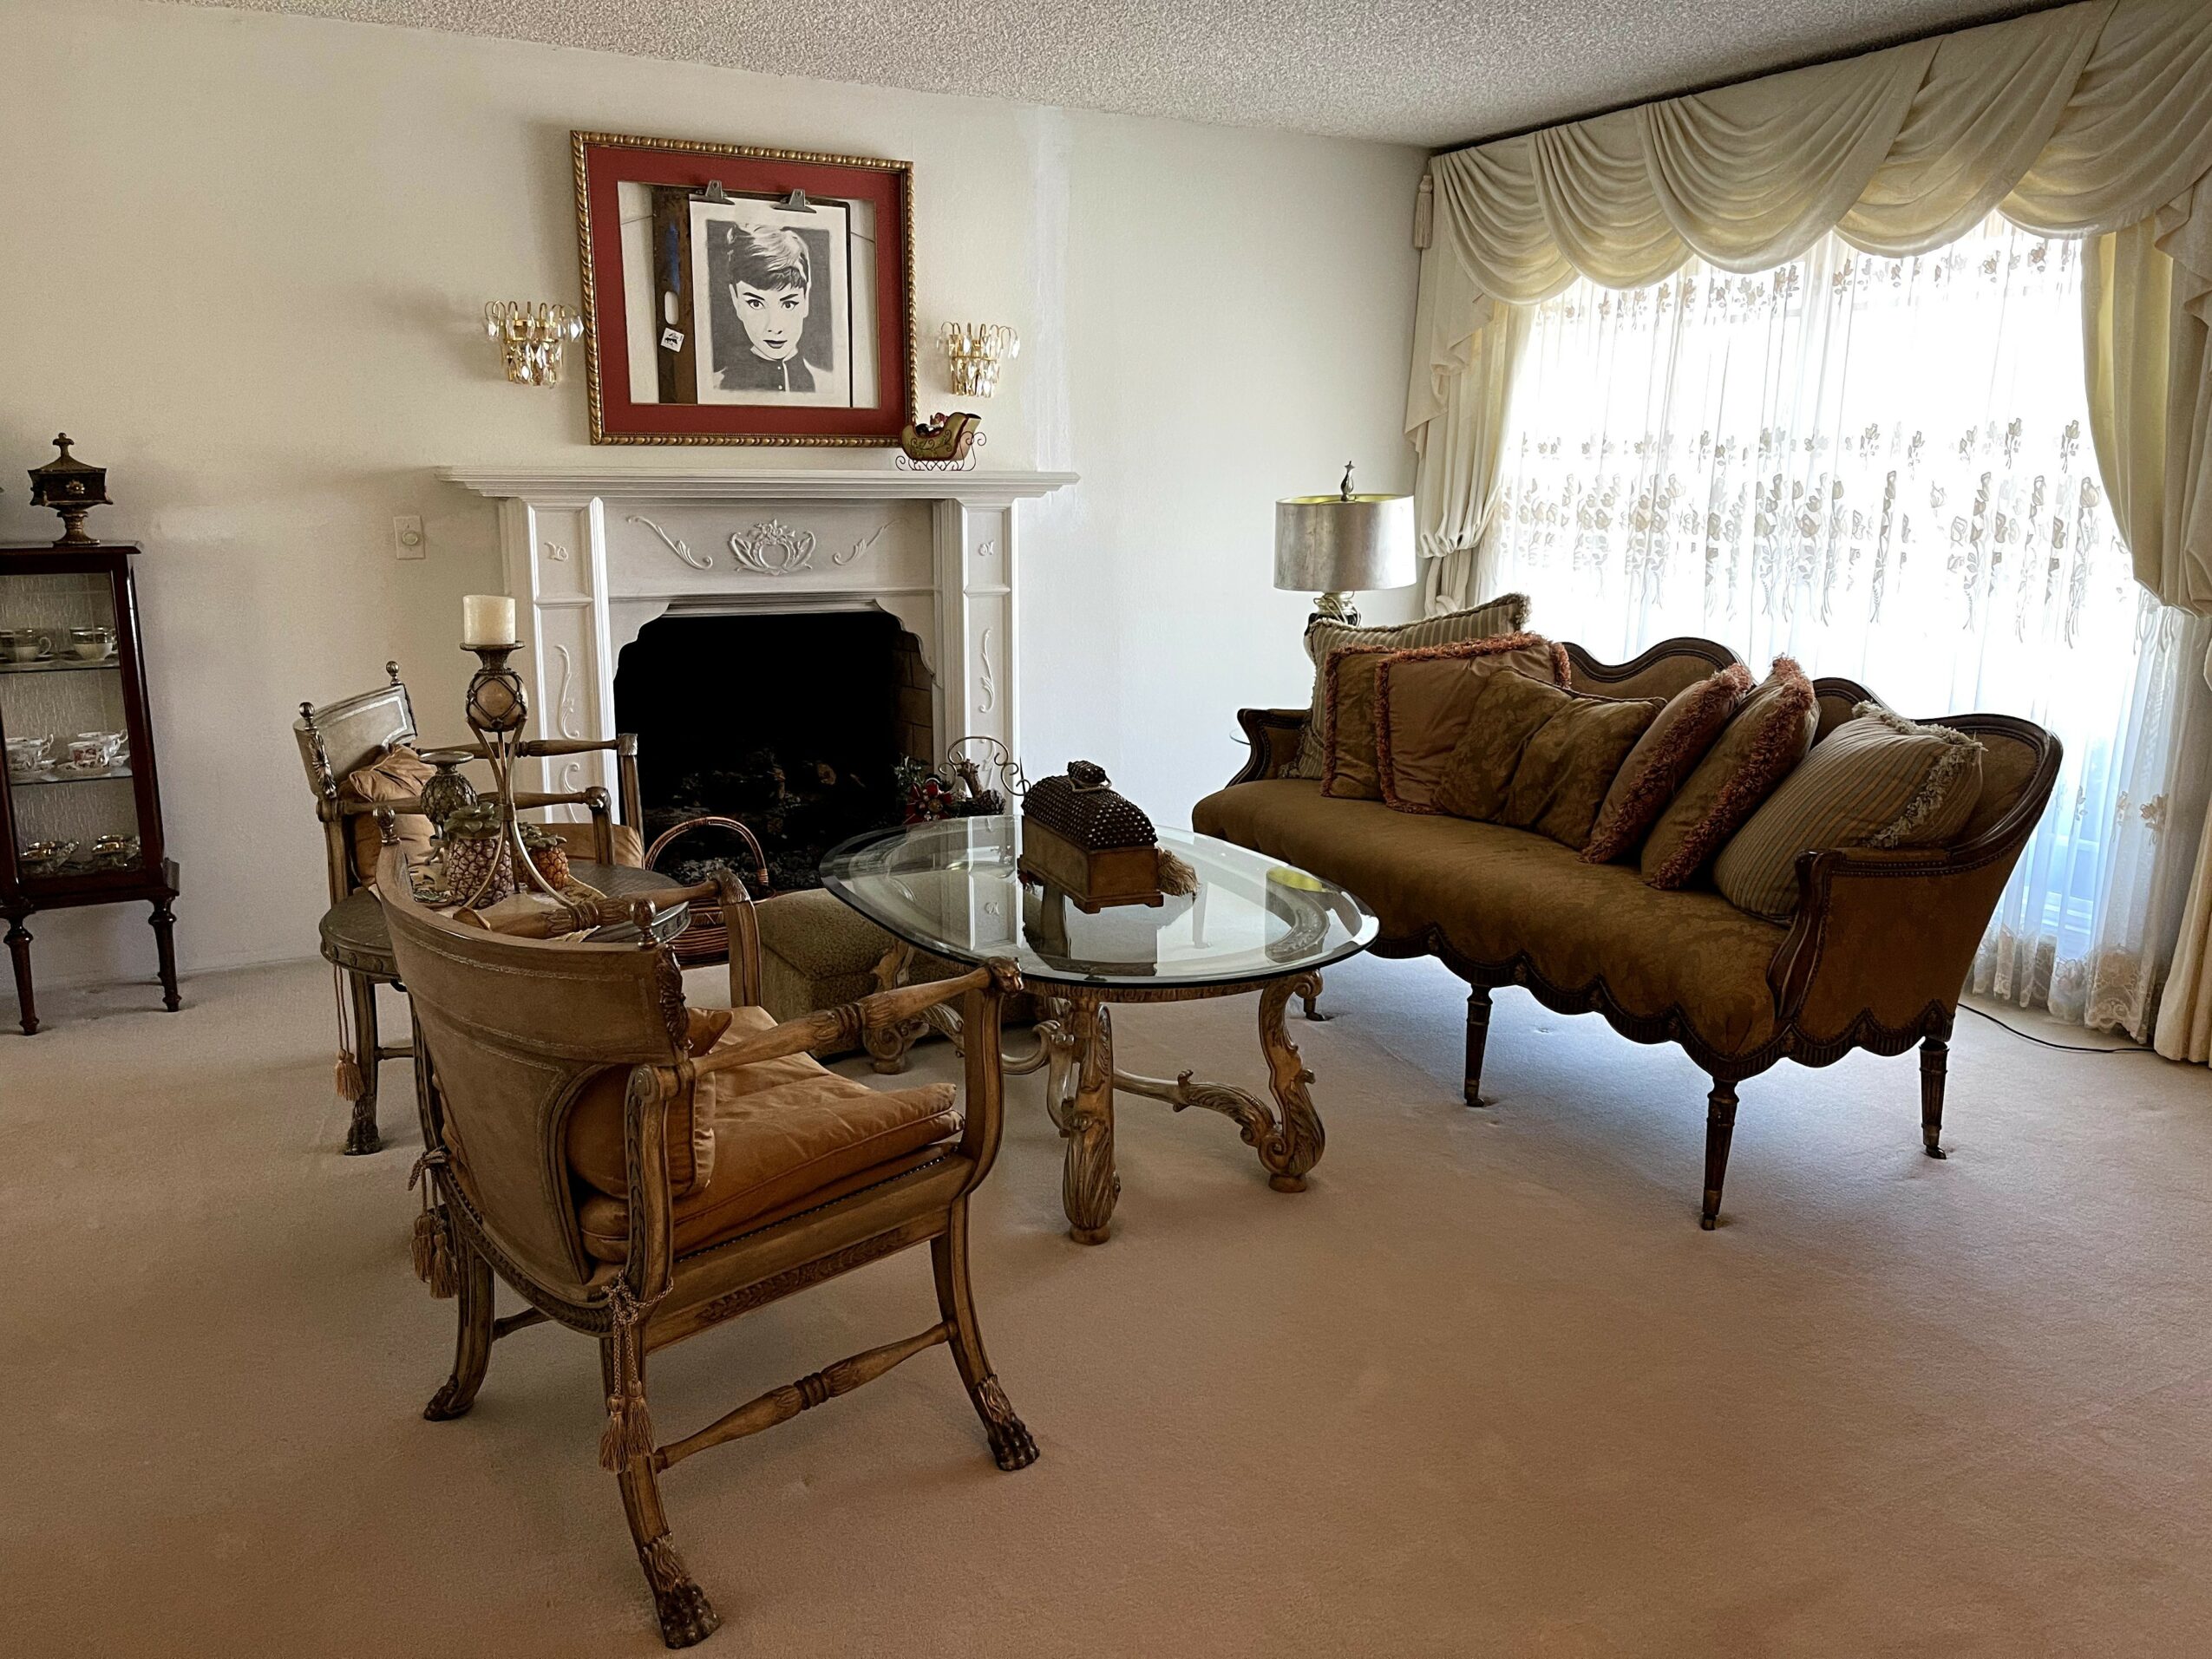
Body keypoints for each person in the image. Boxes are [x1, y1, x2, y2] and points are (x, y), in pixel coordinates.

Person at [711, 221, 822, 395]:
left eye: (788, 304)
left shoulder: (828, 385)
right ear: (735, 299)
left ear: (806, 299)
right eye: (756, 304)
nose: (775, 327)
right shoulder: (713, 388)